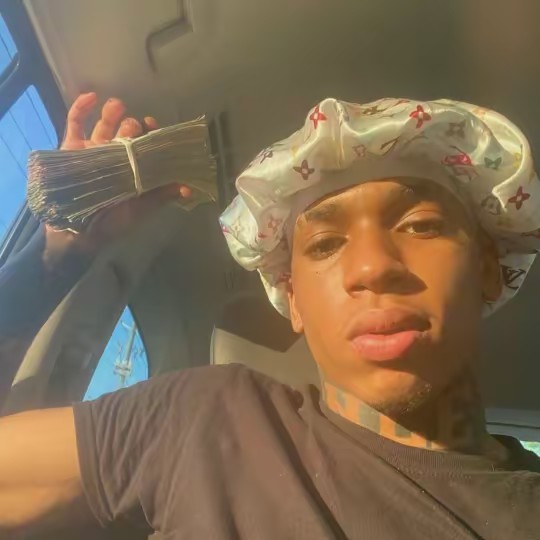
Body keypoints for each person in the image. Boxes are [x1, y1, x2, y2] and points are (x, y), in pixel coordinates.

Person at [0, 94, 539, 540]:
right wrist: (60, 253)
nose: (372, 267)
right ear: (293, 300)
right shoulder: (202, 419)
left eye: (420, 225)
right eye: (325, 244)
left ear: (489, 268)